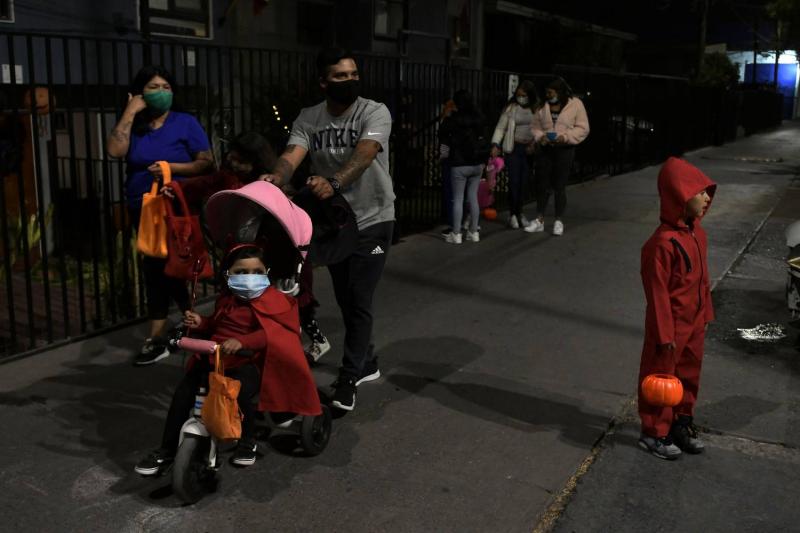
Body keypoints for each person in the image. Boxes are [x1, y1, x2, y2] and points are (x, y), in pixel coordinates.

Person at [259, 47, 395, 412]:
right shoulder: (310, 117)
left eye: (353, 74)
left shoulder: (374, 111)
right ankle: (365, 359)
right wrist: (278, 176)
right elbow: (293, 154)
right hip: (334, 221)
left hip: (373, 217)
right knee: (346, 295)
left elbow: (366, 153)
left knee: (359, 295)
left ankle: (349, 377)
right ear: (323, 82)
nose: (349, 81)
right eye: (340, 76)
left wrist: (334, 181)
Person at [134, 244, 322, 473]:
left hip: (248, 362)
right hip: (214, 358)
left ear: (266, 272)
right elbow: (216, 325)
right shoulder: (226, 300)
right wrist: (201, 323)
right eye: (241, 272)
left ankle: (248, 440)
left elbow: (274, 333)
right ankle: (166, 451)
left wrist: (243, 342)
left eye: (256, 272)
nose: (249, 278)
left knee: (240, 393)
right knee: (183, 394)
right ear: (228, 275)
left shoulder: (276, 300)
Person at [106, 65, 214, 365]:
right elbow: (115, 150)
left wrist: (172, 168)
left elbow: (205, 162)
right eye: (154, 87)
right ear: (140, 93)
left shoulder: (185, 122)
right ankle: (189, 325)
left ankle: (162, 334)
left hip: (177, 207)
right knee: (154, 265)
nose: (162, 92)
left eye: (166, 87)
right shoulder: (136, 124)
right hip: (141, 207)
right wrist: (129, 111)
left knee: (172, 266)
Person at [637, 157, 716, 460]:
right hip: (669, 327)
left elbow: (703, 279)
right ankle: (654, 431)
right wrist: (664, 334)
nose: (707, 198)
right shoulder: (661, 244)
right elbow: (657, 293)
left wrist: (705, 314)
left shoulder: (698, 235)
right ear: (680, 196)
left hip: (694, 322)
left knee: (688, 374)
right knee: (661, 379)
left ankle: (681, 423)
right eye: (700, 193)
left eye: (707, 192)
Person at [526, 77, 589, 236]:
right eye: (547, 92)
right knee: (542, 185)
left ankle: (558, 220)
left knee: (559, 186)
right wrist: (541, 137)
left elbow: (583, 128)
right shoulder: (543, 105)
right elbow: (534, 126)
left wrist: (565, 137)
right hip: (546, 149)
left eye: (551, 93)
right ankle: (539, 219)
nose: (549, 95)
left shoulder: (575, 104)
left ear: (560, 92)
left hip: (565, 150)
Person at [490, 80, 540, 229]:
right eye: (518, 95)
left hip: (528, 149)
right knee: (514, 182)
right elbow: (500, 127)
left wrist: (534, 143)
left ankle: (520, 213)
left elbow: (541, 128)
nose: (521, 98)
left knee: (524, 183)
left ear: (530, 95)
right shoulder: (511, 108)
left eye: (524, 95)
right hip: (513, 148)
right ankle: (513, 214)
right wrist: (495, 144)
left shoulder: (536, 108)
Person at [439, 90, 486, 244]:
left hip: (459, 164)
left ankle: (456, 233)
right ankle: (473, 232)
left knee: (458, 198)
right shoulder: (478, 118)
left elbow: (442, 135)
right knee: (473, 197)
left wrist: (446, 115)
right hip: (477, 163)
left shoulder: (453, 120)